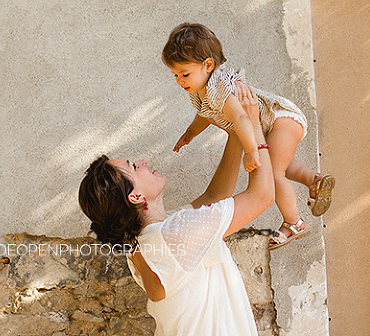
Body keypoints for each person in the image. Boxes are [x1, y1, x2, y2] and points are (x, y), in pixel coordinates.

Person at [79, 84, 273, 335]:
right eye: (134, 167)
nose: (142, 162)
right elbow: (262, 196)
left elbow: (214, 197)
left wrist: (237, 132)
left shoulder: (149, 239)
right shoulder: (174, 235)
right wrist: (253, 126)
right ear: (135, 196)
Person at [162, 23, 334, 250]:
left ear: (208, 65)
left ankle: (294, 222)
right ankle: (313, 180)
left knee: (273, 173)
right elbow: (204, 113)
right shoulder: (199, 91)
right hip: (273, 123)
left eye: (185, 74)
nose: (180, 80)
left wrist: (251, 151)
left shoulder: (219, 88)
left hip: (280, 118)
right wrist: (191, 133)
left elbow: (242, 118)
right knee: (277, 163)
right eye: (175, 75)